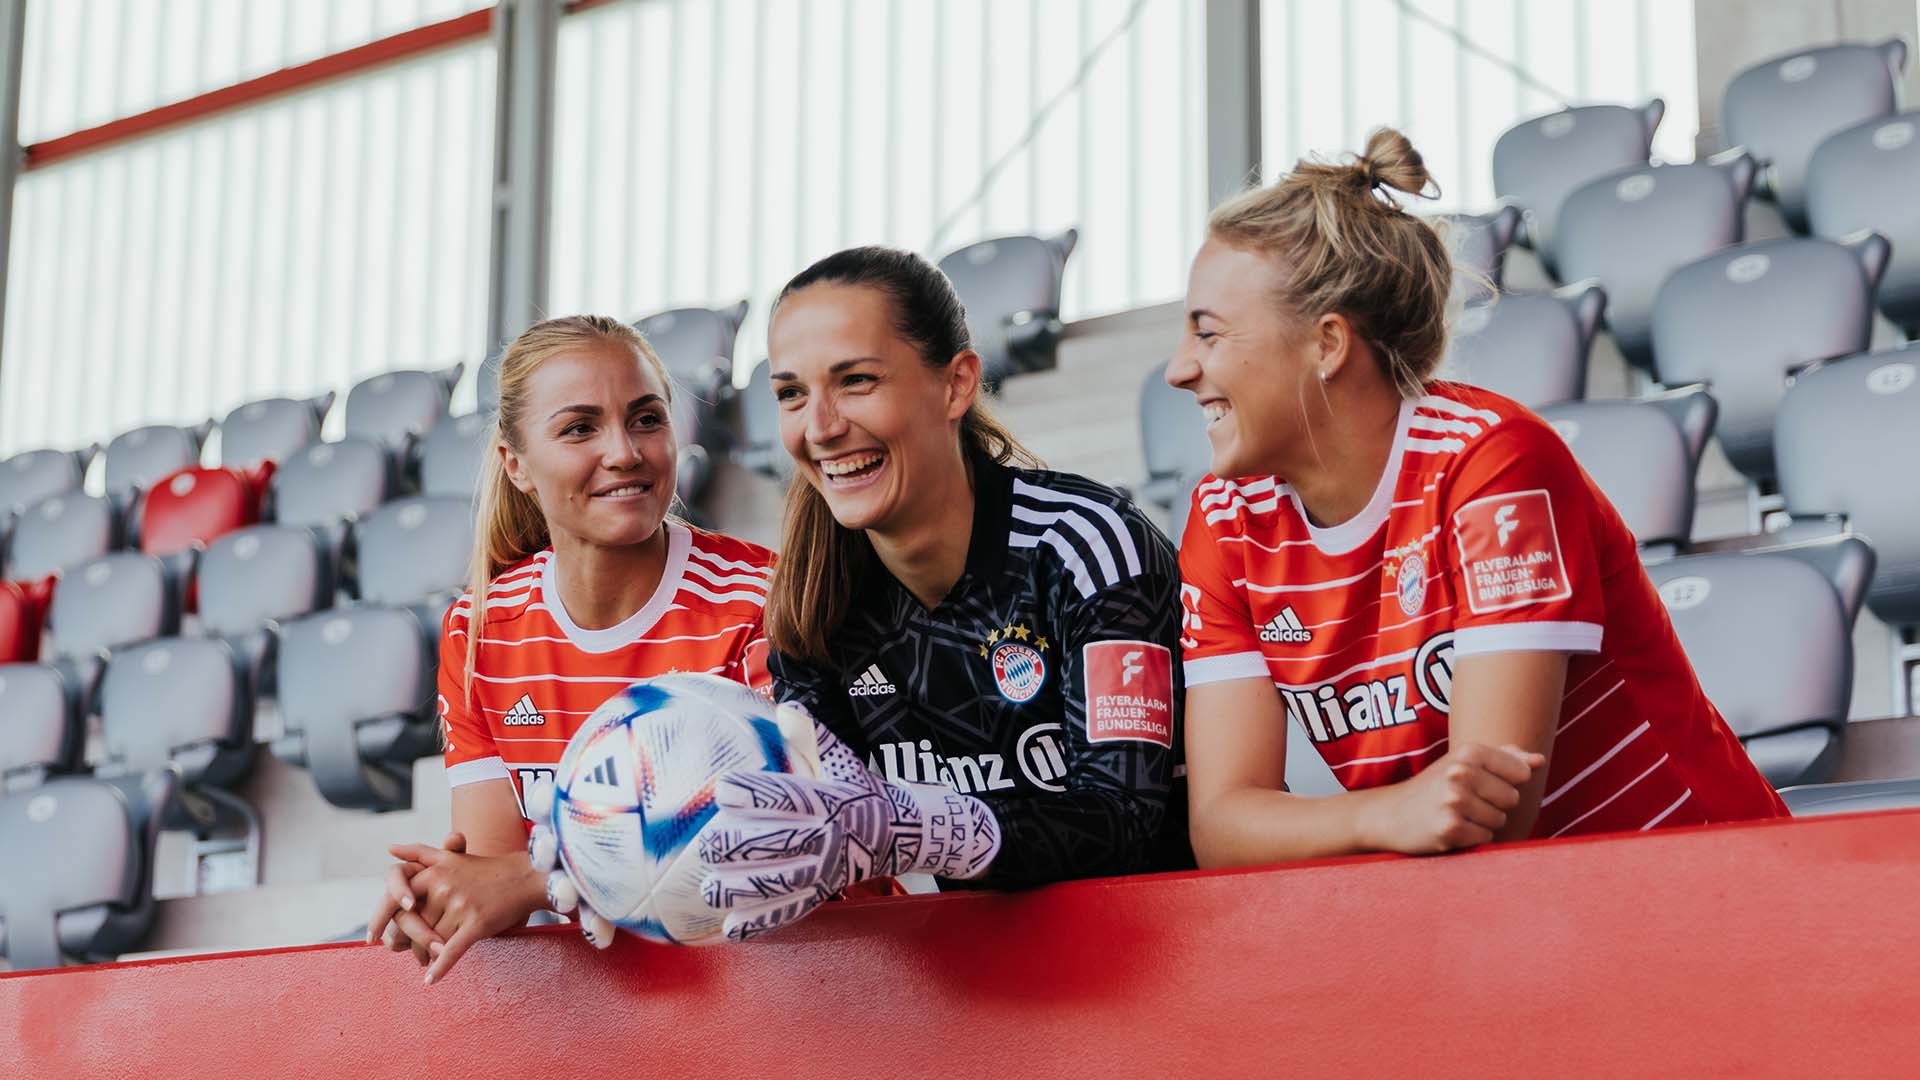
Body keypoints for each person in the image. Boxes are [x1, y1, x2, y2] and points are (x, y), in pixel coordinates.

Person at [1172, 128, 1788, 869]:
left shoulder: (1493, 465)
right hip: (1501, 924)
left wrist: (1363, 820)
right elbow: (1224, 830)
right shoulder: (1226, 518)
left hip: (1702, 884)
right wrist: (1387, 812)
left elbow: (1490, 817)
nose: (1180, 369)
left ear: (1327, 345)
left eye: (1208, 335)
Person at [695, 246, 1191, 942]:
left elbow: (1124, 822)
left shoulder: (1087, 546)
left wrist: (931, 830)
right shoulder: (811, 604)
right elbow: (811, 829)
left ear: (956, 384)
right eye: (790, 393)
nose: (820, 426)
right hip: (963, 989)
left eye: (857, 380)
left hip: (1162, 962)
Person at [366, 315, 777, 983]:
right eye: (580, 428)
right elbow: (494, 878)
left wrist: (534, 878)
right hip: (623, 999)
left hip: (806, 974)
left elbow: (764, 837)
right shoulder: (481, 629)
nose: (624, 452)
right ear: (516, 465)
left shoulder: (762, 596)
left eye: (647, 419)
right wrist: (440, 897)